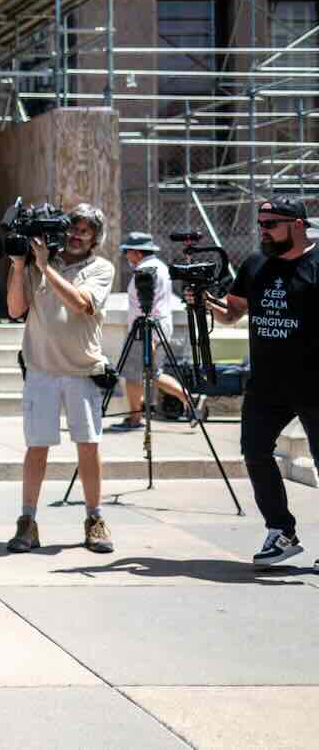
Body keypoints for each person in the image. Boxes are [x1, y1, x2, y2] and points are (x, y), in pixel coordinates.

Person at [188, 198, 319, 569]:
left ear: (297, 224)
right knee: (254, 450)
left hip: (314, 383)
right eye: (260, 223)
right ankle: (281, 531)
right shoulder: (256, 264)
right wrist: (204, 302)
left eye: (271, 223)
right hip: (267, 385)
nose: (263, 229)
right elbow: (232, 313)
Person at [4, 204, 116, 555]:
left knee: (88, 445)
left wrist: (44, 268)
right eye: (74, 229)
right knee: (37, 446)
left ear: (96, 238)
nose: (77, 236)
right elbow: (14, 309)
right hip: (41, 370)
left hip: (82, 371)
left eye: (86, 231)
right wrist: (21, 265)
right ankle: (27, 521)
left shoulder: (101, 267)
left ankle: (95, 519)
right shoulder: (41, 261)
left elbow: (83, 304)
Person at [109, 232, 197, 431]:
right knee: (149, 374)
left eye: (127, 252)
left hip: (146, 331)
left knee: (136, 374)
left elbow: (152, 306)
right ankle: (187, 400)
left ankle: (135, 418)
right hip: (152, 328)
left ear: (138, 252)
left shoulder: (146, 271)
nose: (126, 256)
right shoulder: (159, 267)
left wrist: (152, 339)